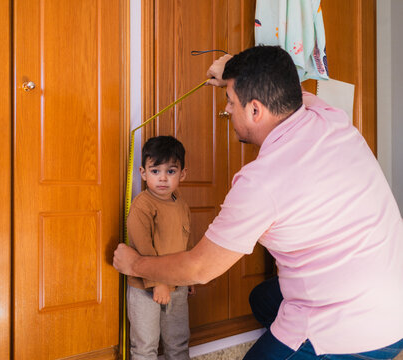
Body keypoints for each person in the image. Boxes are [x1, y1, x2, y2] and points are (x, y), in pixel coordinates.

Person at [114, 46, 403, 359]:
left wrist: (135, 264)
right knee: (263, 300)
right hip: (396, 310)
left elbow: (200, 268)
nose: (226, 110)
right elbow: (287, 89)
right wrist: (232, 69)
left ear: (254, 110)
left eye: (230, 102)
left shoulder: (261, 181)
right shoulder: (327, 116)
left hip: (352, 333)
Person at [126, 135, 194, 360]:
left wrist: (189, 277)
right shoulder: (142, 205)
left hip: (177, 284)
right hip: (145, 288)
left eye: (171, 171)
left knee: (178, 342)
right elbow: (144, 248)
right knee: (145, 347)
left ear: (182, 174)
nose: (162, 178)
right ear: (143, 173)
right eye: (155, 171)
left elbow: (186, 241)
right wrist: (159, 283)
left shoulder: (181, 203)